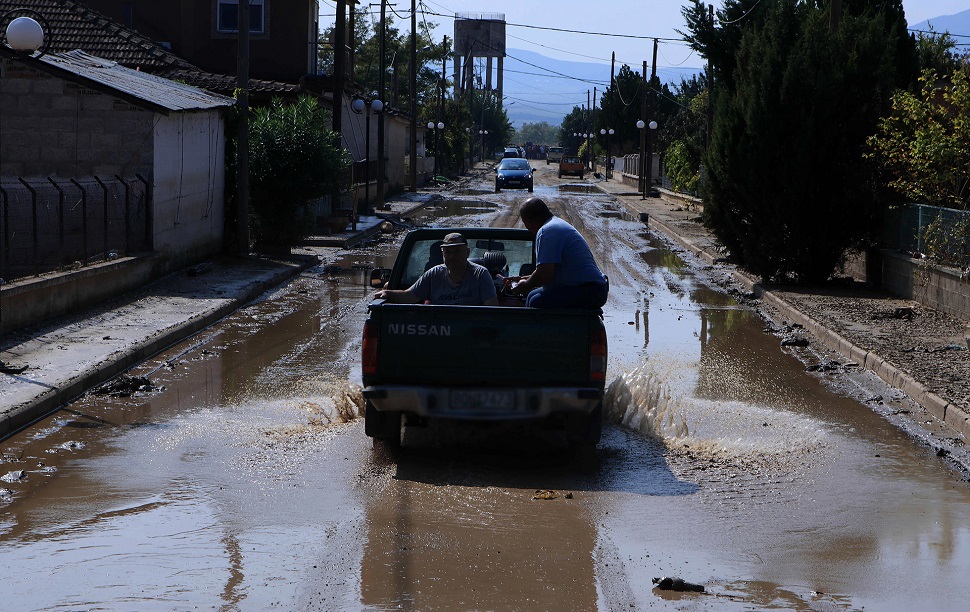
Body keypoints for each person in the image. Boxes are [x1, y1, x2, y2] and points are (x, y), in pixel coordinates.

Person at [509, 197, 608, 309]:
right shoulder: (554, 225)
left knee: (535, 302)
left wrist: (525, 285)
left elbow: (545, 274)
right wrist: (524, 279)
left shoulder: (546, 232)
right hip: (592, 288)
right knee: (532, 295)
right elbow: (550, 271)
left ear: (529, 221)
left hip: (589, 291)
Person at [374, 232, 499, 306]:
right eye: (448, 252)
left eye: (457, 252)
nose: (452, 256)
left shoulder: (480, 274)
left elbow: (490, 309)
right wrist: (387, 293)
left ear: (467, 253)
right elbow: (410, 296)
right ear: (442, 255)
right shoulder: (434, 274)